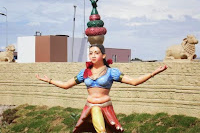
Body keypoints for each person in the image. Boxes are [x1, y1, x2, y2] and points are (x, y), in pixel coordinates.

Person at [36, 44, 167, 133]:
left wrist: (153, 73)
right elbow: (66, 85)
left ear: (103, 55)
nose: (93, 55)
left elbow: (134, 82)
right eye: (90, 53)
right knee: (99, 124)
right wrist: (49, 81)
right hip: (91, 106)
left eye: (96, 53)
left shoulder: (111, 72)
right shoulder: (84, 73)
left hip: (105, 105)